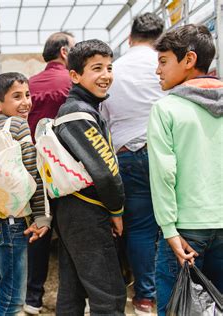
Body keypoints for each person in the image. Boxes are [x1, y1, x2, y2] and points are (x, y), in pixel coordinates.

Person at [147, 24, 223, 316]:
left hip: (184, 231)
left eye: (163, 61)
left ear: (189, 60)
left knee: (178, 309)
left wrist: (168, 228)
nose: (158, 71)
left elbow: (164, 173)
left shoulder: (166, 108)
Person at [53, 39, 126, 315]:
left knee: (72, 294)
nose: (106, 75)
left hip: (73, 211)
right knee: (110, 297)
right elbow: (106, 172)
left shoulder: (81, 109)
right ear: (75, 75)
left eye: (109, 67)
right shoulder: (78, 113)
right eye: (97, 68)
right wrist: (117, 210)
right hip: (87, 212)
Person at [100, 12, 165, 314]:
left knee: (138, 228)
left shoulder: (115, 69)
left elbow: (106, 119)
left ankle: (144, 298)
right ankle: (175, 291)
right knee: (171, 224)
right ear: (160, 38)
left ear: (129, 37)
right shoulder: (164, 65)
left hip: (125, 154)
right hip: (163, 151)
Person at [0, 72, 52, 315]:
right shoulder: (17, 124)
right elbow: (34, 171)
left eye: (27, 95)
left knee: (2, 289)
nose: (26, 102)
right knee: (13, 300)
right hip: (15, 222)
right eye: (17, 97)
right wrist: (42, 216)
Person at [24, 31, 75, 315]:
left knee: (38, 232)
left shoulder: (28, 85)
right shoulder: (72, 82)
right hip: (67, 170)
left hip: (35, 169)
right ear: (65, 52)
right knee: (69, 233)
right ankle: (70, 300)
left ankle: (33, 298)